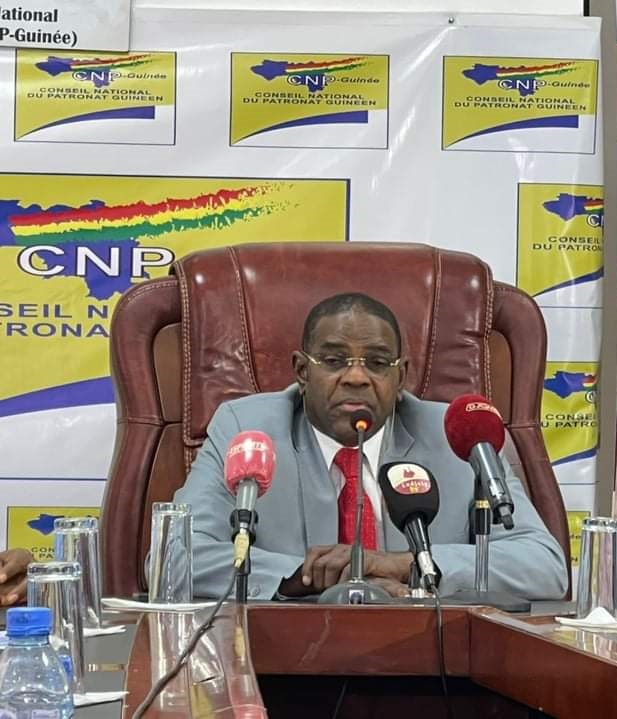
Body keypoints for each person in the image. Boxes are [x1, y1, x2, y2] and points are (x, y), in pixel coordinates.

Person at [174, 292, 568, 601]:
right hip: (287, 659)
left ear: (401, 377)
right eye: (334, 360)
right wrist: (303, 577)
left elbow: (544, 566)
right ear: (302, 371)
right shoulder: (247, 431)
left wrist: (409, 565)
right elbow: (176, 557)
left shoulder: (456, 436)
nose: (356, 377)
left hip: (428, 659)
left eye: (378, 363)